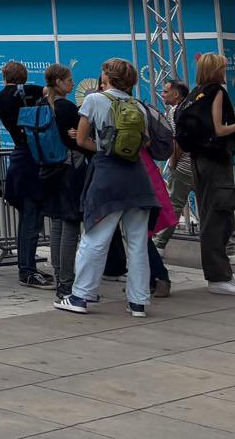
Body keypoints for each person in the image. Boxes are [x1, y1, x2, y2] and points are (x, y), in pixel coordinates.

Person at [56, 59, 159, 317]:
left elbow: (81, 139)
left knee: (95, 239)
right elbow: (143, 143)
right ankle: (138, 302)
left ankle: (80, 296)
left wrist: (103, 147)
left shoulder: (94, 100)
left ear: (108, 77)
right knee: (137, 243)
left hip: (107, 177)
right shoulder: (138, 106)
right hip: (138, 179)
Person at [185, 52, 235, 295]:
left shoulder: (196, 94)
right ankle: (218, 277)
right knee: (219, 215)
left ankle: (224, 273)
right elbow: (219, 128)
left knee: (213, 214)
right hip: (216, 161)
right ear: (216, 69)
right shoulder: (217, 92)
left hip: (199, 160)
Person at [0, 61, 52, 288]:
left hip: (18, 160)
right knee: (31, 220)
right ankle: (27, 269)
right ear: (25, 76)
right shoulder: (32, 91)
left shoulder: (0, 98)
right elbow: (49, 92)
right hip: (32, 160)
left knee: (28, 220)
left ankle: (26, 266)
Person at [37, 64, 87, 303]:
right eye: (69, 80)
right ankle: (66, 284)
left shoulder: (40, 105)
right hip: (70, 168)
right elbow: (80, 139)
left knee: (56, 223)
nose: (72, 83)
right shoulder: (66, 107)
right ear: (58, 82)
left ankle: (60, 277)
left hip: (48, 168)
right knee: (70, 224)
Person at [154, 80, 194, 249]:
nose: (162, 95)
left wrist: (173, 163)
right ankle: (228, 249)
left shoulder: (174, 111)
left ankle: (160, 242)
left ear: (176, 94)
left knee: (173, 206)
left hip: (184, 165)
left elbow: (176, 142)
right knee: (210, 206)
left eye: (165, 91)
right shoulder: (193, 107)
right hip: (202, 164)